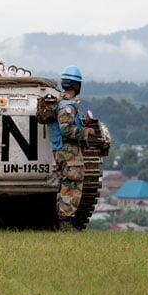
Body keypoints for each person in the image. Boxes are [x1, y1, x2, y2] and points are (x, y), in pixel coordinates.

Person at [50, 65, 95, 232]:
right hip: (68, 152)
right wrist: (86, 131)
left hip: (64, 150)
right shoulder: (67, 106)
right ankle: (66, 225)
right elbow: (65, 129)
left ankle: (63, 222)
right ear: (77, 86)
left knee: (66, 184)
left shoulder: (63, 103)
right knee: (71, 185)